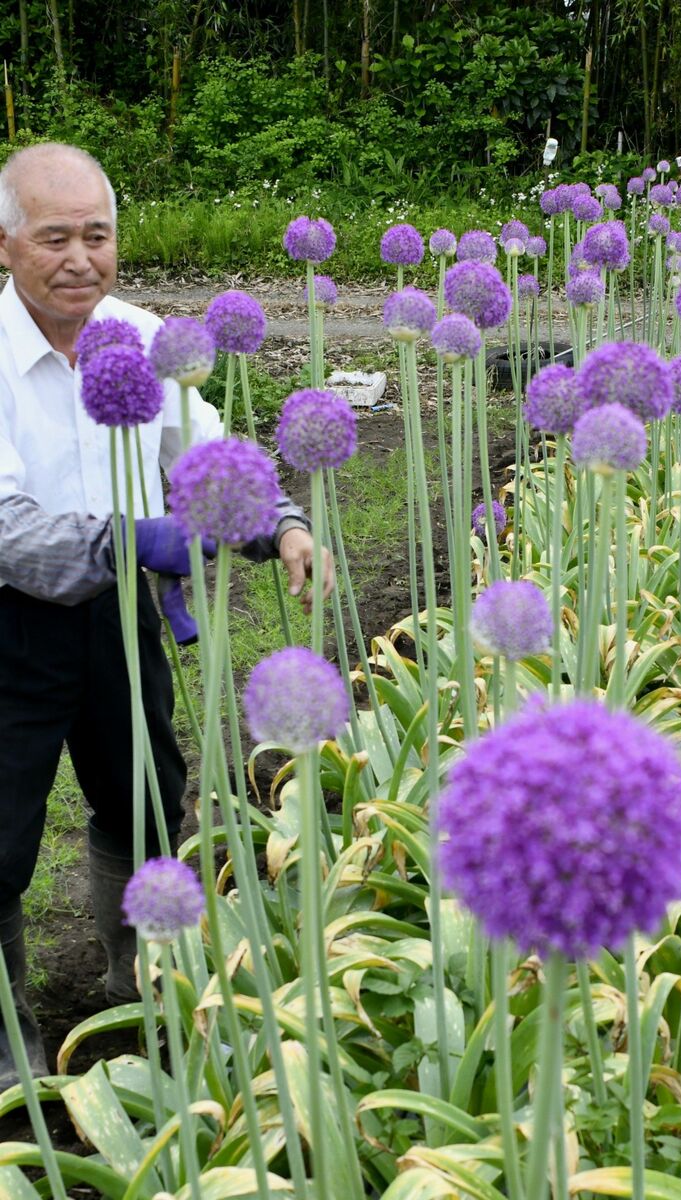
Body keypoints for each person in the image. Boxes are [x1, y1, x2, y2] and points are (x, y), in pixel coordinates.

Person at [0, 143, 333, 1086]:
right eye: (54, 237)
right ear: (6, 245)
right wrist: (129, 539)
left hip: (118, 623)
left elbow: (213, 453)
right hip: (9, 628)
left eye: (96, 236)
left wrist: (282, 522)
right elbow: (4, 525)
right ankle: (8, 1032)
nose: (79, 258)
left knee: (144, 795)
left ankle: (137, 973)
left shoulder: (148, 335)